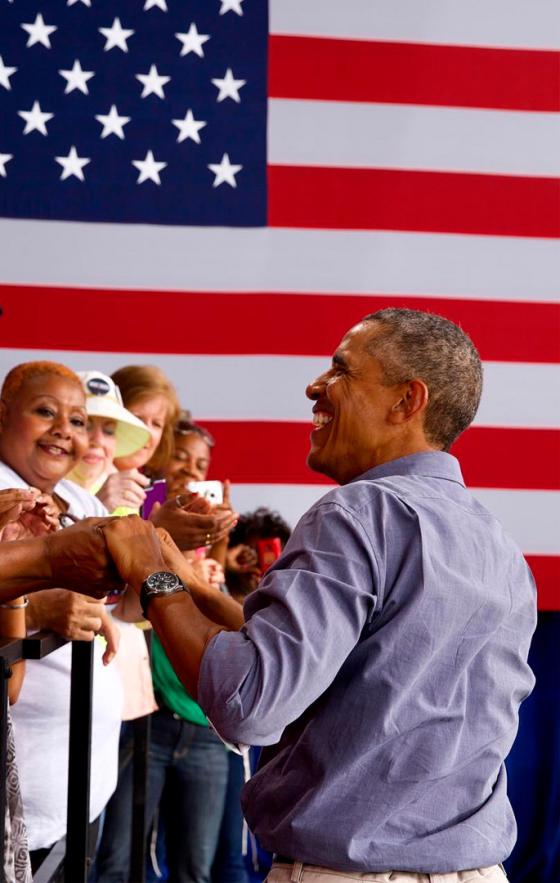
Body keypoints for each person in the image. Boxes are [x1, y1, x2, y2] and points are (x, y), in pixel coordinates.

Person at [101, 308, 537, 883]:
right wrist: (182, 579)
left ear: (407, 402)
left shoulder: (359, 513)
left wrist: (152, 575)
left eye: (341, 371)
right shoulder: (498, 545)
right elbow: (330, 670)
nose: (314, 386)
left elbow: (250, 701)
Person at [0, 360, 122, 872]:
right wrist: (35, 605)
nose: (64, 432)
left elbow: (127, 598)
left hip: (81, 791)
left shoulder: (76, 496)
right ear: (3, 415)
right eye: (45, 412)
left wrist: (166, 551)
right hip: (23, 803)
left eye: (77, 421)